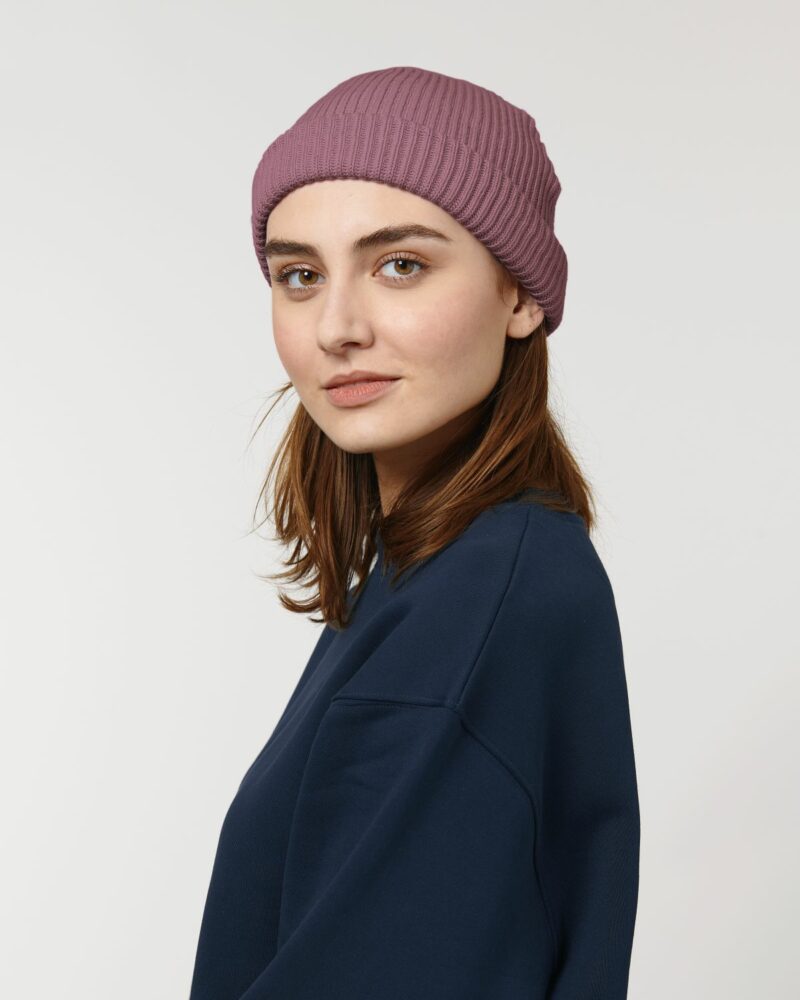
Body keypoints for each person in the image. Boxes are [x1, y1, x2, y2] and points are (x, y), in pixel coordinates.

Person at [188, 65, 640, 1000]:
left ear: (520, 296)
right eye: (300, 275)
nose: (338, 327)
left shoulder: (480, 598)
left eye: (401, 264)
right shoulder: (443, 573)